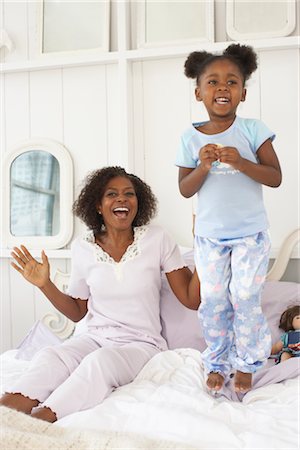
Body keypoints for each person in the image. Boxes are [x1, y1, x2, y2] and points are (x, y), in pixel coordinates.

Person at [0, 166, 200, 422]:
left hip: (141, 345)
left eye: (129, 194)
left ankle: (39, 421)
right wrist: (44, 283)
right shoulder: (83, 247)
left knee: (100, 362)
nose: (121, 199)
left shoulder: (157, 239)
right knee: (52, 355)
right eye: (111, 194)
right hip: (95, 338)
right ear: (97, 205)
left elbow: (191, 299)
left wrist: (204, 245)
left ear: (139, 202)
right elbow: (77, 312)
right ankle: (6, 416)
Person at [175, 43, 282, 394]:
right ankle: (218, 360)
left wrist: (241, 162)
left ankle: (249, 361)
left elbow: (274, 176)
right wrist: (204, 165)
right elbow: (185, 189)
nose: (223, 87)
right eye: (213, 82)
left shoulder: (253, 129)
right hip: (210, 238)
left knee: (246, 296)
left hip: (250, 235)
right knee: (215, 300)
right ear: (198, 92)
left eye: (232, 82)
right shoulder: (190, 138)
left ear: (243, 93)